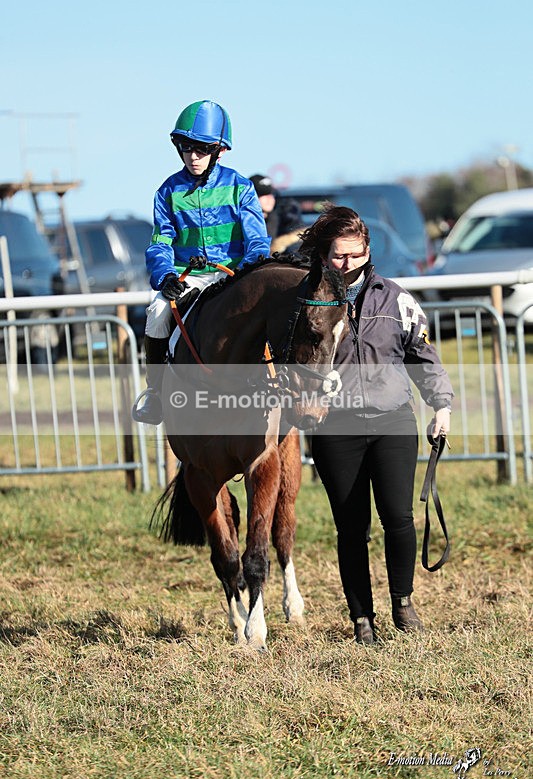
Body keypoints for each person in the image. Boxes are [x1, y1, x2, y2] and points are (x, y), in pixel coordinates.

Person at [300, 206, 453, 645]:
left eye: (354, 255)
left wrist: (440, 405)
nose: (346, 265)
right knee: (351, 528)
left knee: (399, 518)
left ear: (368, 251)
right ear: (324, 255)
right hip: (335, 425)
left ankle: (402, 603)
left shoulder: (397, 298)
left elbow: (421, 355)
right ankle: (361, 618)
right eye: (337, 256)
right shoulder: (309, 302)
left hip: (393, 421)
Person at [132, 100, 271, 425]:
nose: (193, 156)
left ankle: (282, 384)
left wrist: (245, 274)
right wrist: (164, 275)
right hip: (188, 278)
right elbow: (161, 241)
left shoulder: (240, 187)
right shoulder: (167, 191)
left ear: (219, 150)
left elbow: (257, 241)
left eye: (202, 149)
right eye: (186, 147)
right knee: (156, 312)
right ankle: (155, 393)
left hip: (234, 277)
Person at [249, 174, 305, 254]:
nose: (269, 198)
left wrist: (281, 243)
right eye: (262, 195)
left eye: (271, 194)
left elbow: (299, 234)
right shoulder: (244, 221)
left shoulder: (285, 214)